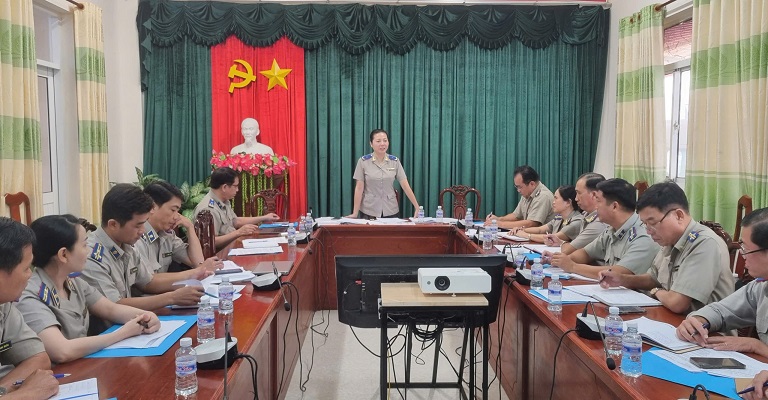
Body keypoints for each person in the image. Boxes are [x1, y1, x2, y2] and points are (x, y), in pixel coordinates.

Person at [16, 215, 161, 363]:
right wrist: (123, 333)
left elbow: (110, 309)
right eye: (84, 245)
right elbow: (62, 351)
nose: (88, 251)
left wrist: (145, 316)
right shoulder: (30, 295)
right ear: (64, 255)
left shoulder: (74, 282)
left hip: (83, 364)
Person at [81, 184, 213, 333]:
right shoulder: (92, 257)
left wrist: (189, 281)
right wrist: (172, 298)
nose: (142, 231)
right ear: (113, 224)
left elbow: (148, 281)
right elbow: (114, 306)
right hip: (108, 333)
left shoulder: (126, 244)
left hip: (132, 325)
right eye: (138, 225)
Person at [597, 182, 734, 314]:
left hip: (702, 327)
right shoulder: (670, 239)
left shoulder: (704, 243)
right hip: (671, 318)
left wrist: (655, 291)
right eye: (645, 224)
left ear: (679, 215)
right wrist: (621, 279)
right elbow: (653, 278)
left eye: (652, 223)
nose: (648, 231)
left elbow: (677, 303)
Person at [676, 207, 768, 357]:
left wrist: (756, 346)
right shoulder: (760, 286)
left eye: (746, 248)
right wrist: (698, 321)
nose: (743, 255)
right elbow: (721, 310)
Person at [548, 178, 659, 280]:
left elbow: (619, 272)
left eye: (598, 201)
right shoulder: (612, 229)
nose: (596, 207)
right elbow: (586, 253)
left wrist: (572, 267)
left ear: (614, 206)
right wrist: (560, 261)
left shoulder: (642, 236)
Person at [0, 217, 59, 399]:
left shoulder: (4, 304)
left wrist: (3, 391)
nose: (30, 276)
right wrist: (29, 393)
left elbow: (38, 359)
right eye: (26, 268)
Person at [137, 181, 223, 274]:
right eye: (173, 210)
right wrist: (193, 273)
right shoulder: (137, 236)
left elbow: (197, 262)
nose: (176, 217)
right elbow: (149, 280)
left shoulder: (167, 234)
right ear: (152, 207)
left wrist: (190, 227)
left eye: (177, 211)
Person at [194, 167, 280, 249]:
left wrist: (264, 217)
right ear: (224, 187)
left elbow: (235, 221)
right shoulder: (208, 209)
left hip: (233, 246)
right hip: (221, 253)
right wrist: (238, 232)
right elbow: (210, 242)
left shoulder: (223, 200)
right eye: (235, 186)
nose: (237, 189)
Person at [346, 129, 420, 219]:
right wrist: (355, 213)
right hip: (369, 210)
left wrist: (417, 207)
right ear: (371, 144)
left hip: (390, 209)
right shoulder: (363, 162)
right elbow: (359, 188)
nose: (382, 144)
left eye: (385, 140)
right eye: (378, 141)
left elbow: (405, 185)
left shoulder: (395, 161)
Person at [545, 172, 609, 255]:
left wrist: (554, 256)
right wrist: (560, 243)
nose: (576, 199)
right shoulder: (585, 214)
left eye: (579, 193)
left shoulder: (599, 222)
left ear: (593, 195)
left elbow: (570, 251)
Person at [486, 165, 555, 230]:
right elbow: (516, 215)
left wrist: (500, 224)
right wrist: (498, 219)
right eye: (516, 187)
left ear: (532, 184)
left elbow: (532, 223)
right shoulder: (527, 193)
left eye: (520, 187)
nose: (518, 190)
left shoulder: (543, 196)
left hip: (543, 237)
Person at [512, 185, 583, 244]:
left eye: (556, 198)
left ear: (568, 202)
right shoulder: (559, 217)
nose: (553, 202)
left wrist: (526, 235)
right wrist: (521, 229)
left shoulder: (577, 221)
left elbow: (553, 238)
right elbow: (540, 230)